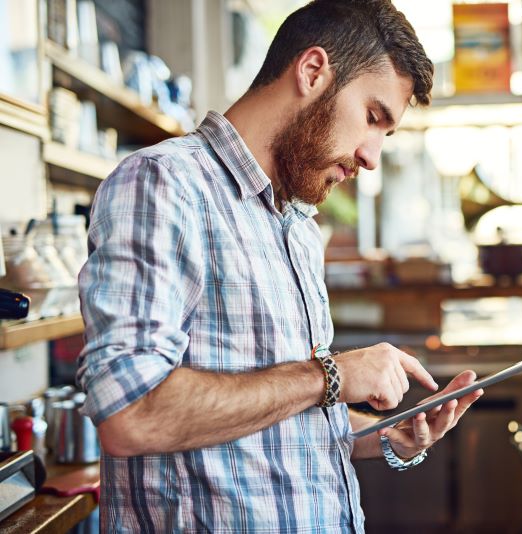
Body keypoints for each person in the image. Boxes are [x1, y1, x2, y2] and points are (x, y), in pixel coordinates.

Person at [77, 0, 483, 531]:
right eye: (373, 116)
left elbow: (279, 424)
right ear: (313, 71)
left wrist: (384, 433)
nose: (372, 156)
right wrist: (334, 375)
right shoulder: (164, 184)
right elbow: (131, 414)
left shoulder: (296, 225)